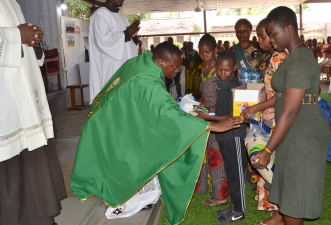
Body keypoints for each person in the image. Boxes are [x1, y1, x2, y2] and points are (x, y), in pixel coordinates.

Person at [70, 42, 244, 225]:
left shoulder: (140, 62)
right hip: (106, 124)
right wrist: (211, 127)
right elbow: (166, 112)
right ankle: (126, 196)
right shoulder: (149, 82)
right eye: (174, 66)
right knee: (130, 159)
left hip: (103, 116)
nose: (177, 71)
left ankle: (135, 190)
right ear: (160, 61)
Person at [249, 6, 330, 225]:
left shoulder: (300, 60)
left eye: (274, 34)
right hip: (294, 131)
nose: (271, 40)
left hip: (303, 132)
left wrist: (267, 150)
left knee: (295, 197)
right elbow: (285, 97)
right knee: (289, 189)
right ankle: (279, 219)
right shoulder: (291, 57)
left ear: (289, 28)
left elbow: (291, 111)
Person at [0, 0, 67, 224]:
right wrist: (17, 35)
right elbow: (12, 37)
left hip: (23, 101)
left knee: (28, 163)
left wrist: (33, 41)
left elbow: (19, 46)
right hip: (6, 105)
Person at [242, 18, 288, 215]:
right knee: (269, 158)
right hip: (271, 111)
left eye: (263, 36)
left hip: (278, 113)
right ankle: (278, 209)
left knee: (262, 154)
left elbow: (284, 94)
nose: (259, 40)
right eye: (259, 36)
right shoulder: (271, 57)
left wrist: (257, 108)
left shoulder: (280, 58)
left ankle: (285, 198)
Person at [196, 51, 247, 224]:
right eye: (219, 69)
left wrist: (208, 118)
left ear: (234, 68)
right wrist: (206, 111)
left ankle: (239, 211)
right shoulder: (221, 83)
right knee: (230, 173)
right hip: (224, 135)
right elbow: (221, 108)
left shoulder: (236, 87)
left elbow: (233, 115)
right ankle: (234, 206)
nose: (222, 73)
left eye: (226, 70)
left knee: (237, 174)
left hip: (234, 135)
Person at [89, 0, 140, 103]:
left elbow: (128, 44)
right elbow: (103, 41)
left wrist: (133, 36)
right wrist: (127, 33)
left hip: (125, 69)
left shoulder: (122, 18)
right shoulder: (101, 15)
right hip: (111, 69)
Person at [196, 34, 229, 207]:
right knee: (204, 152)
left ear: (215, 50)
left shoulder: (220, 70)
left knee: (216, 155)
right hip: (204, 115)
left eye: (207, 52)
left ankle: (220, 195)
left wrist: (207, 111)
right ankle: (202, 186)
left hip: (217, 117)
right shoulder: (204, 70)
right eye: (201, 52)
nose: (204, 56)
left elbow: (225, 100)